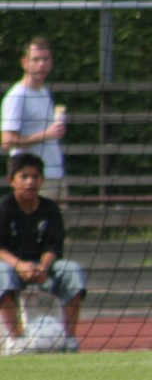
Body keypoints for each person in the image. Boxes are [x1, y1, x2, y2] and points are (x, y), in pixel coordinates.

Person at [1, 151, 87, 354]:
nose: (30, 182)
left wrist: (43, 267)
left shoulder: (50, 208)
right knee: (1, 273)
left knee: (72, 270)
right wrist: (20, 266)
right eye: (24, 177)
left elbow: (54, 246)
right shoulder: (3, 207)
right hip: (12, 266)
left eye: (35, 176)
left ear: (42, 180)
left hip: (44, 267)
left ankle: (70, 340)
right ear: (12, 180)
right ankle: (17, 341)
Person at [1, 37, 68, 201]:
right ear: (25, 63)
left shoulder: (44, 93)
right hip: (33, 181)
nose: (41, 64)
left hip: (55, 175)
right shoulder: (16, 96)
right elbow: (7, 141)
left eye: (45, 59)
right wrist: (47, 134)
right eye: (36, 59)